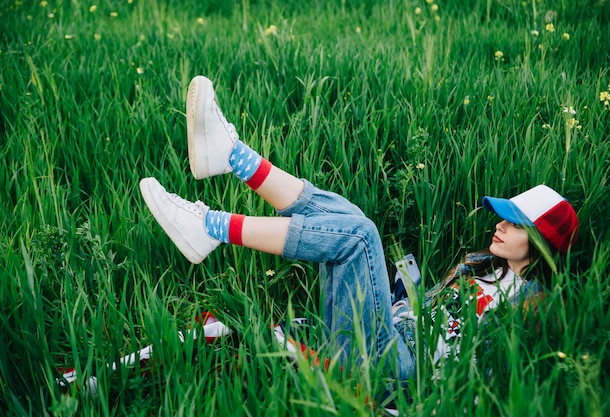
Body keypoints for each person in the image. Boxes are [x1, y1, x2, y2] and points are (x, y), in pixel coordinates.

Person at [139, 75, 579, 381]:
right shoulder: (478, 268)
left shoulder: (534, 305)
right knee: (348, 214)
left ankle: (213, 225)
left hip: (403, 370)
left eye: (515, 223)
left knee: (359, 234)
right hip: (384, 334)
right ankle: (233, 157)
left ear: (541, 242)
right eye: (503, 215)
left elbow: (491, 373)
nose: (500, 225)